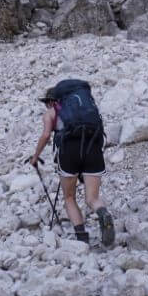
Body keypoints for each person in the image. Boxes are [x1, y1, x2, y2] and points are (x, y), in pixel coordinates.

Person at [29, 79, 115, 247]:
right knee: (92, 197)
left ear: (54, 100)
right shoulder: (85, 110)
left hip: (69, 152)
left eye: (47, 102)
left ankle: (82, 238)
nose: (47, 106)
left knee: (69, 197)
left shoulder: (51, 114)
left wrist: (35, 157)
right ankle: (103, 213)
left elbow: (46, 136)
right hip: (92, 148)